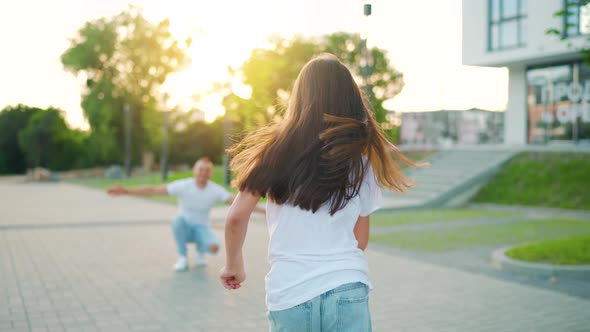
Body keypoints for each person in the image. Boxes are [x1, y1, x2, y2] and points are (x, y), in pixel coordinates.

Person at [219, 54, 418, 331]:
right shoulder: (359, 162)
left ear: (300, 97)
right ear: (349, 99)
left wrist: (234, 265)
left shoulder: (273, 153)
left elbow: (236, 218)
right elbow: (360, 240)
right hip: (347, 285)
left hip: (290, 290)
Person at [107, 157, 261, 271]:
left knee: (214, 247)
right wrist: (126, 191)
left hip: (202, 228)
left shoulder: (215, 190)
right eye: (200, 169)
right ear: (195, 170)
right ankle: (182, 257)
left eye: (207, 170)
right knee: (177, 220)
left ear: (210, 173)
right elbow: (154, 190)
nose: (203, 173)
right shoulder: (183, 185)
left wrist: (266, 211)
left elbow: (239, 203)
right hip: (184, 227)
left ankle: (201, 251)